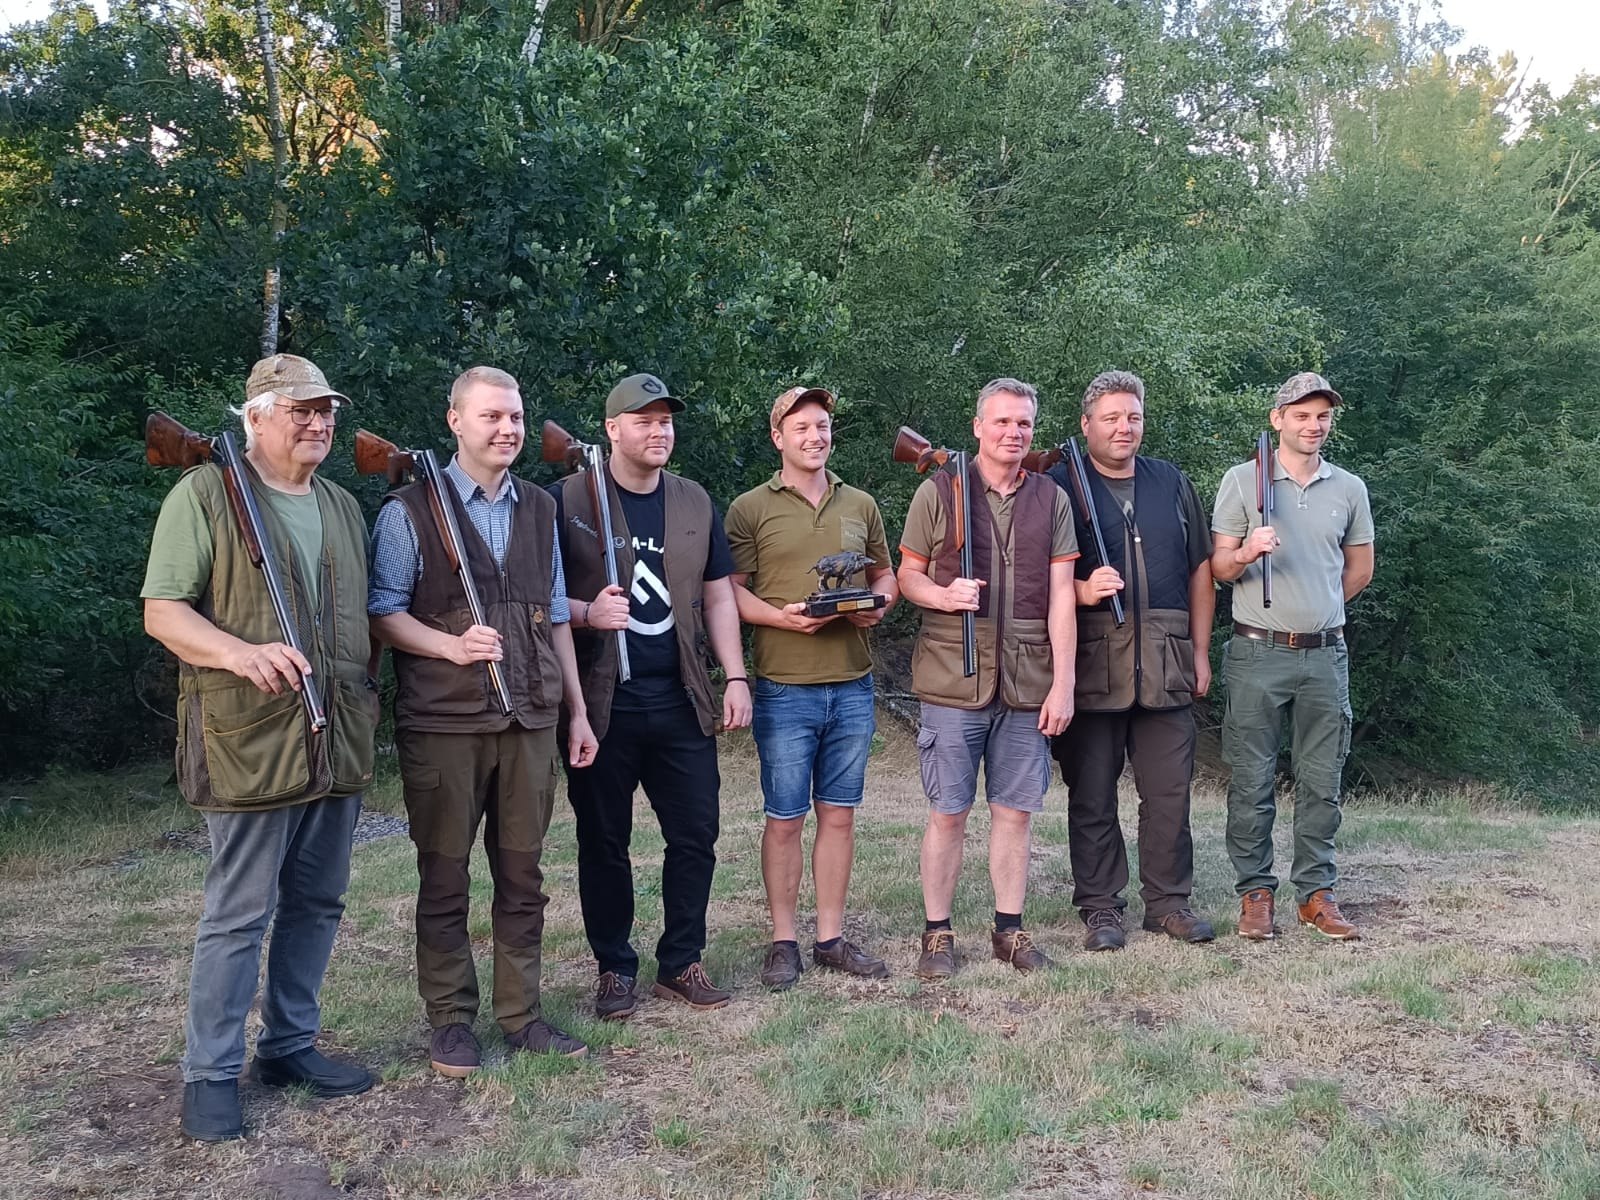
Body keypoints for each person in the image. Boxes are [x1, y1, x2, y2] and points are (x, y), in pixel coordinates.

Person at [143, 354, 378, 1142]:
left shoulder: (341, 503)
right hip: (249, 735)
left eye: (326, 411)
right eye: (301, 410)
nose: (319, 423)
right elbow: (164, 612)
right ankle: (210, 1074)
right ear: (256, 417)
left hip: (336, 732)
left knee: (318, 902)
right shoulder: (204, 493)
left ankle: (288, 1047)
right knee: (239, 913)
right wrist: (239, 653)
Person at [368, 365, 599, 1076]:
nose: (507, 429)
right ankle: (450, 1020)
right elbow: (383, 612)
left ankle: (521, 1015)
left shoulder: (540, 506)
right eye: (492, 416)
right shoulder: (409, 510)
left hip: (529, 718)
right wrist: (451, 646)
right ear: (456, 421)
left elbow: (554, 615)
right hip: (444, 723)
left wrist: (576, 711)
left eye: (516, 417)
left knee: (523, 875)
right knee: (445, 876)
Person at [552, 373, 752, 1019]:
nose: (658, 430)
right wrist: (586, 612)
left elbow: (718, 594)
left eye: (665, 420)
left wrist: (735, 676)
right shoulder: (567, 499)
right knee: (603, 841)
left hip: (680, 698)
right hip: (602, 703)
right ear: (612, 429)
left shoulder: (694, 500)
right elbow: (540, 599)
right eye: (643, 420)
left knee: (696, 835)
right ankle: (614, 968)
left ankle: (681, 962)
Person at [896, 377, 1078, 978]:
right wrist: (944, 596)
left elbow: (1061, 596)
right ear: (978, 427)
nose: (1013, 433)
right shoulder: (938, 490)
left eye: (1023, 423)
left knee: (1015, 812)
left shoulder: (1050, 497)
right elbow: (907, 576)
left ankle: (1009, 930)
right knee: (949, 811)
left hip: (1027, 682)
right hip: (954, 676)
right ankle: (937, 933)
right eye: (1001, 421)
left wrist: (1063, 683)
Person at [725, 387, 901, 989]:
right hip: (785, 687)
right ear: (779, 437)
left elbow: (885, 574)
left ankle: (830, 937)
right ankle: (783, 942)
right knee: (784, 819)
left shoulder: (861, 503)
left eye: (822, 426)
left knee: (839, 816)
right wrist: (781, 618)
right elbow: (729, 593)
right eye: (800, 427)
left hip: (852, 685)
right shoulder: (750, 507)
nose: (814, 436)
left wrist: (879, 606)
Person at [1044, 371, 1216, 952]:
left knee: (1169, 794)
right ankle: (1100, 906)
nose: (1125, 427)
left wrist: (1200, 652)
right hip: (1092, 666)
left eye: (1133, 416)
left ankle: (1168, 903)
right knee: (1092, 793)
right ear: (1086, 424)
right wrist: (1081, 589)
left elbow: (1200, 570)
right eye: (1112, 417)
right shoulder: (1058, 485)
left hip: (1167, 662)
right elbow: (1032, 577)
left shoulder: (1171, 482)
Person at [1210, 371, 1375, 941]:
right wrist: (1246, 552)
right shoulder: (1242, 481)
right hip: (1257, 652)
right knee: (1250, 780)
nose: (1313, 425)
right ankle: (1255, 893)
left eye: (1322, 415)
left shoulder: (1348, 487)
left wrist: (1318, 608)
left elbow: (1360, 570)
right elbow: (1218, 567)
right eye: (1302, 415)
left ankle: (1316, 895)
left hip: (1325, 655)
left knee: (1322, 779)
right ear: (1277, 419)